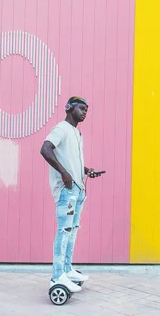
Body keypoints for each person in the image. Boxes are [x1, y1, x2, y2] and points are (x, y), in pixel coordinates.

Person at [40, 96, 99, 292]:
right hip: (67, 190)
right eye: (81, 108)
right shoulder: (61, 129)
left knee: (72, 230)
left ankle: (67, 269)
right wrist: (64, 172)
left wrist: (85, 170)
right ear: (68, 108)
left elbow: (71, 161)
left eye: (87, 109)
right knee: (63, 231)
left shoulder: (76, 133)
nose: (84, 112)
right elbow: (45, 149)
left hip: (78, 189)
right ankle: (57, 276)